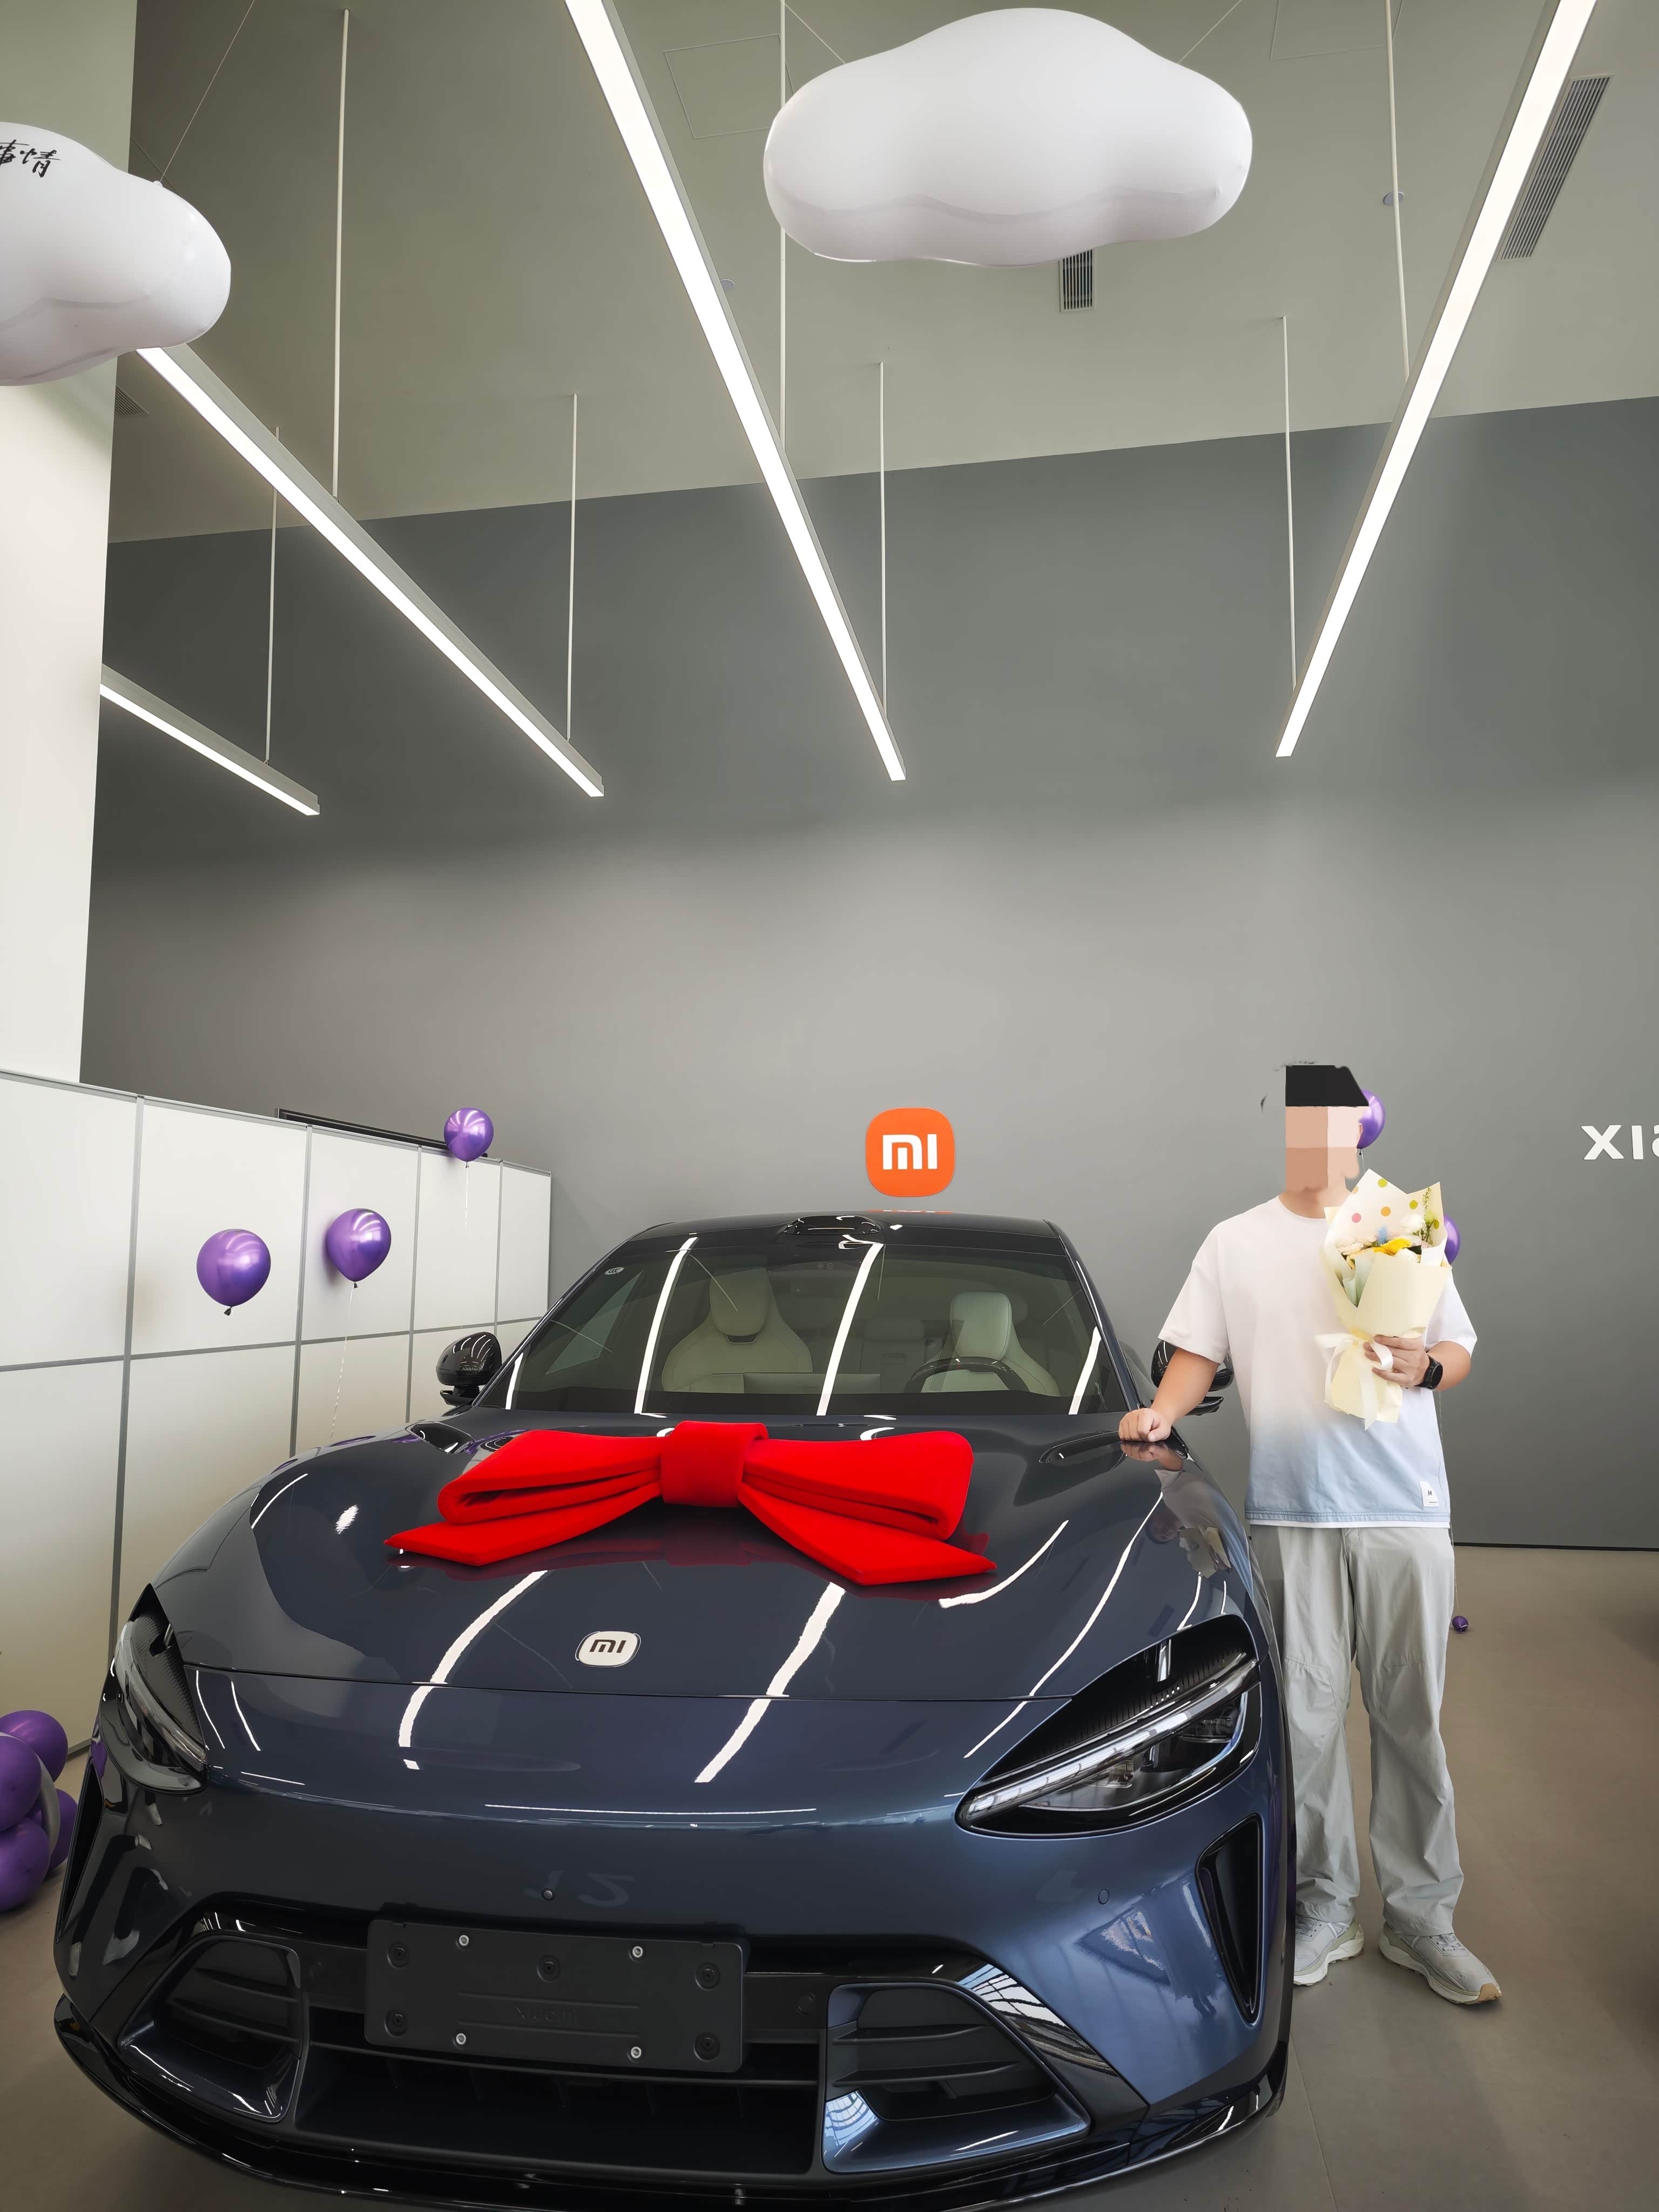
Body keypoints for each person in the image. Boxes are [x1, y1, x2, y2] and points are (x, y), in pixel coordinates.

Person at [1119, 1064, 1499, 2006]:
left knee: (1411, 1719)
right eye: (1301, 1122)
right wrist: (1162, 1412)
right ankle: (1326, 1906)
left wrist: (1422, 1368)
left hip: (1406, 1507)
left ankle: (1422, 1918)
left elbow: (1456, 1349)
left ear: (1356, 1130)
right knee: (1310, 1725)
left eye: (1330, 1122)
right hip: (1293, 1510)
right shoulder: (1235, 1240)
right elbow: (1199, 1350)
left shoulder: (1397, 1222)